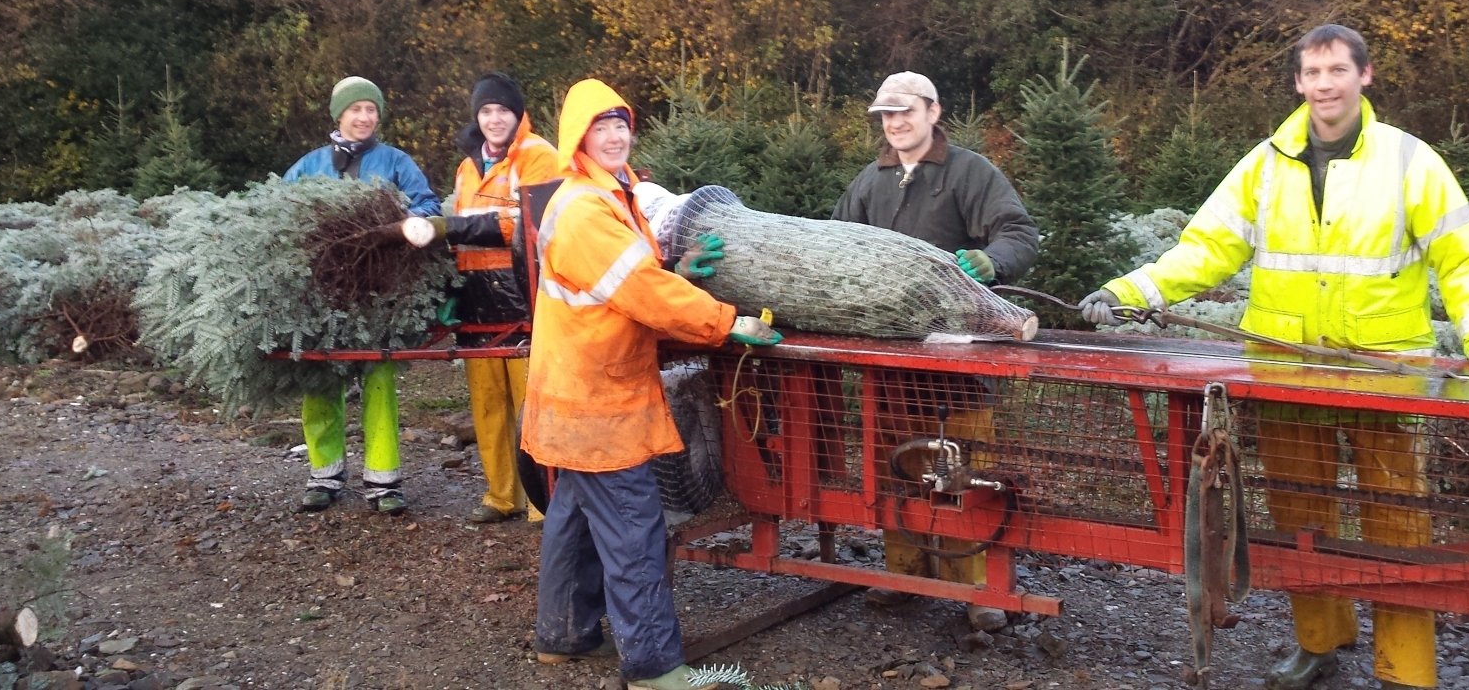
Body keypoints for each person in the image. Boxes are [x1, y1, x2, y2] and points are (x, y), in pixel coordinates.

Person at [1077, 24, 1469, 690]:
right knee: (1298, 517)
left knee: (1396, 523)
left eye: (1337, 71)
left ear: (1364, 76)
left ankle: (1406, 670)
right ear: (1298, 83)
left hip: (1385, 373)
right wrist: (1128, 290)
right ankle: (1320, 642)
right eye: (1312, 73)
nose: (1324, 85)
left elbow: (1462, 254)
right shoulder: (1265, 162)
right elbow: (1204, 248)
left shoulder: (1408, 160)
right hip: (1284, 373)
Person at [521, 79, 781, 690]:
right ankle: (654, 668)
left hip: (573, 395)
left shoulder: (610, 195)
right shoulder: (586, 208)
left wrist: (674, 270)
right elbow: (637, 292)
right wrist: (726, 322)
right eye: (600, 127)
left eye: (621, 124)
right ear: (577, 137)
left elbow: (626, 276)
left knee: (575, 515)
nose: (614, 136)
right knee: (634, 529)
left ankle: (563, 635)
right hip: (598, 401)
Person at [832, 70, 1040, 634]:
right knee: (895, 464)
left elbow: (1019, 233)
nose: (896, 123)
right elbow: (835, 245)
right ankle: (904, 575)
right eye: (886, 115)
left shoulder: (970, 173)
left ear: (933, 112)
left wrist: (991, 262)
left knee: (965, 469)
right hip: (890, 363)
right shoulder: (870, 182)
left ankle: (980, 588)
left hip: (961, 363)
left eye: (907, 112)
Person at [283, 76, 441, 515]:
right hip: (320, 296)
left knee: (378, 378)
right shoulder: (310, 165)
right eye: (356, 109)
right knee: (319, 380)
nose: (364, 117)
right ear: (339, 115)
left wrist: (396, 222)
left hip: (379, 292)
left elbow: (428, 206)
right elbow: (275, 213)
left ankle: (384, 482)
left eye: (371, 110)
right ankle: (324, 475)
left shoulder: (395, 162)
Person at [445, 72, 558, 525]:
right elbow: (455, 217)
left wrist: (456, 228)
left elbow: (523, 222)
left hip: (522, 295)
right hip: (476, 299)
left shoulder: (538, 156)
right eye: (486, 111)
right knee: (488, 402)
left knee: (531, 399)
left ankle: (541, 501)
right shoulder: (468, 164)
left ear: (518, 114)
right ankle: (500, 495)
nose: (494, 119)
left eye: (502, 111)